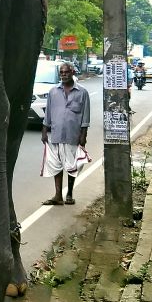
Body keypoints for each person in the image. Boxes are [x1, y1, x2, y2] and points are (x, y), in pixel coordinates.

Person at [40, 62, 91, 205]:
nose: (64, 75)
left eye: (67, 72)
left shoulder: (82, 92)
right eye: (61, 72)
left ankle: (69, 193)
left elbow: (85, 117)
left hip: (72, 136)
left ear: (73, 72)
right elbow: (48, 114)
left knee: (71, 166)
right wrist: (44, 131)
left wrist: (83, 136)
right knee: (56, 164)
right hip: (56, 135)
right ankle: (57, 195)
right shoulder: (53, 92)